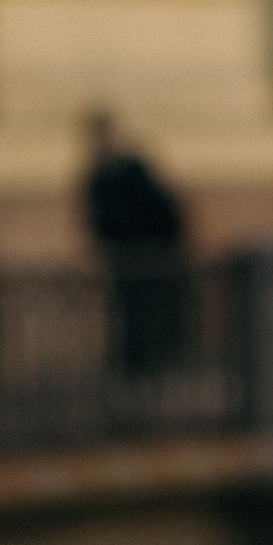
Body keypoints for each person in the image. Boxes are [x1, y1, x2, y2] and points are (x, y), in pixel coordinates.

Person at [79, 108, 189, 375]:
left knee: (155, 315)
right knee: (132, 317)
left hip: (151, 256)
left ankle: (156, 366)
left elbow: (163, 210)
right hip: (127, 259)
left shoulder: (132, 170)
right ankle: (139, 369)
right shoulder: (100, 177)